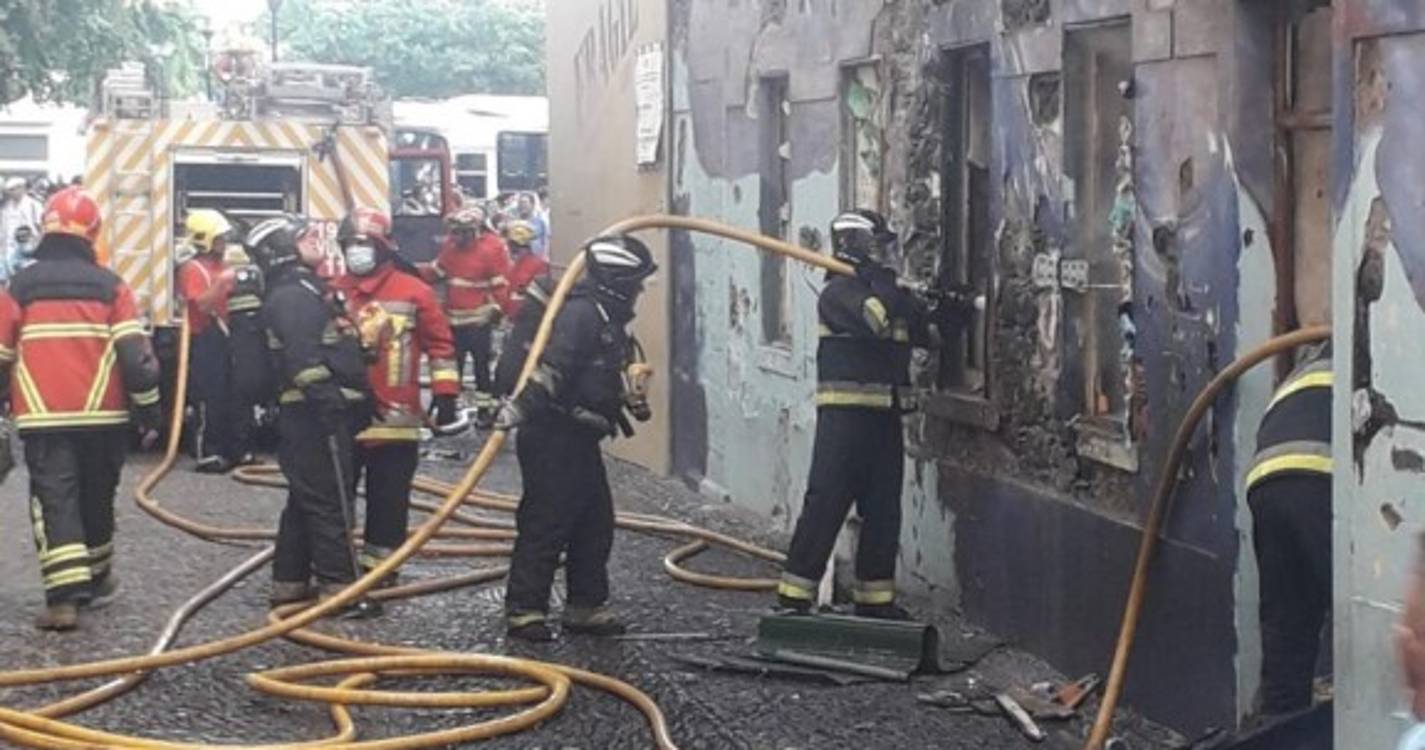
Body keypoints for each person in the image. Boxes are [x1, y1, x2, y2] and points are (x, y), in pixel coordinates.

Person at [776, 209, 974, 620]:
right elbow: (875, 320)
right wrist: (888, 285)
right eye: (878, 246)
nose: (886, 255)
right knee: (827, 503)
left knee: (884, 509)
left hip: (885, 419)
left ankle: (875, 601)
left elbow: (927, 337)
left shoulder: (887, 292)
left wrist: (950, 316)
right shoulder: (838, 293)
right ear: (855, 245)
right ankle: (794, 597)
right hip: (844, 420)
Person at [0, 186, 161, 630]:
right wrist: (150, 411)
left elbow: (2, 354)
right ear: (93, 232)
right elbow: (136, 360)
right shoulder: (111, 286)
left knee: (55, 499)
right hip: (104, 416)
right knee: (97, 497)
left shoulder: (20, 286)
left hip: (43, 416)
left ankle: (63, 601)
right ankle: (98, 579)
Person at [494, 236, 657, 641]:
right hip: (553, 434)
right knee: (546, 521)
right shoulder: (582, 315)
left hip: (580, 437)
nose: (639, 290)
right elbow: (554, 367)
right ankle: (525, 610)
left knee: (594, 522)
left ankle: (585, 606)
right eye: (636, 281)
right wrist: (522, 407)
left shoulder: (605, 315)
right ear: (617, 280)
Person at [247, 214, 379, 617]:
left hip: (311, 412)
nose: (316, 240)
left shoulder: (302, 288)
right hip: (313, 416)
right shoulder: (293, 296)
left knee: (306, 501)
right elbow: (303, 360)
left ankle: (289, 584)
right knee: (330, 502)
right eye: (304, 237)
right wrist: (329, 402)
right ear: (283, 249)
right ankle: (340, 591)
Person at [332, 207, 461, 580]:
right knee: (334, 497)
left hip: (395, 418)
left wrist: (446, 393)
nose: (356, 251)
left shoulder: (414, 291)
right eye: (350, 244)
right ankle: (334, 568)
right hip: (341, 414)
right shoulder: (331, 290)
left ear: (383, 247)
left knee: (389, 499)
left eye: (364, 244)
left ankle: (381, 569)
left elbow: (441, 346)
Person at [1246, 342, 1332, 719]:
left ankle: (1279, 729)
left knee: (1287, 634)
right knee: (1372, 628)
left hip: (1268, 477)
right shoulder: (1395, 340)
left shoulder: (1333, 347)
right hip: (1323, 473)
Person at [420, 205, 510, 422]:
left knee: (481, 370)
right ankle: (448, 411)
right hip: (454, 322)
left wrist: (496, 311)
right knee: (452, 370)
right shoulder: (450, 249)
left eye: (460, 233)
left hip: (479, 324)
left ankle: (484, 411)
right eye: (454, 232)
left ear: (472, 232)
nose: (455, 237)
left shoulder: (488, 252)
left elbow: (501, 286)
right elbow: (435, 272)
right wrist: (409, 273)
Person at [177, 209, 243, 473]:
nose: (224, 242)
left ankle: (234, 450)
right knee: (209, 396)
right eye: (219, 238)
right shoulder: (192, 269)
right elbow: (202, 305)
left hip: (228, 335)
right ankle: (208, 452)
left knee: (233, 395)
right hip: (205, 337)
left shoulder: (223, 266)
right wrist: (222, 283)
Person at [502, 220, 550, 319]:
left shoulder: (539, 265)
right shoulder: (514, 264)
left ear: (515, 244)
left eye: (509, 243)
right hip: (512, 316)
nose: (507, 247)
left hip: (527, 317)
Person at [1, 177, 43, 283]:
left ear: (22, 188)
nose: (11, 193)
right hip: (9, 251)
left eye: (14, 189)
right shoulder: (6, 208)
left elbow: (41, 227)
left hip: (28, 250)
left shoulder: (34, 205)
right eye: (9, 190)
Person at [515, 192, 549, 258]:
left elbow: (546, 242)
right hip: (521, 260)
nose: (522, 205)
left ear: (532, 204)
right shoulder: (516, 223)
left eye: (525, 202)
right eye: (520, 203)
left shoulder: (541, 223)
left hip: (537, 259)